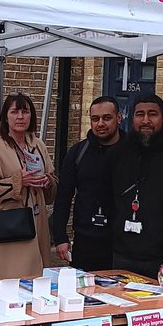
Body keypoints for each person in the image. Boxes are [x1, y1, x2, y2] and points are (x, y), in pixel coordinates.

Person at [106, 92, 163, 279]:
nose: (146, 120)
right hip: (122, 254)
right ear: (132, 119)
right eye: (140, 114)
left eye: (152, 114)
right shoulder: (116, 154)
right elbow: (107, 198)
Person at [0, 92, 57, 280]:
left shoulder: (37, 145)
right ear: (6, 116)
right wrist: (18, 181)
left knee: (35, 284)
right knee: (7, 286)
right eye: (14, 112)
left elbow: (52, 182)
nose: (20, 117)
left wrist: (46, 181)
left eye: (25, 112)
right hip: (8, 229)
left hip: (36, 225)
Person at [53, 96, 124, 273]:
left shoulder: (132, 151)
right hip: (86, 242)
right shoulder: (78, 153)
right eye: (95, 119)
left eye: (107, 118)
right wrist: (60, 237)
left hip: (122, 244)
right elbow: (63, 197)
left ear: (119, 117)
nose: (100, 123)